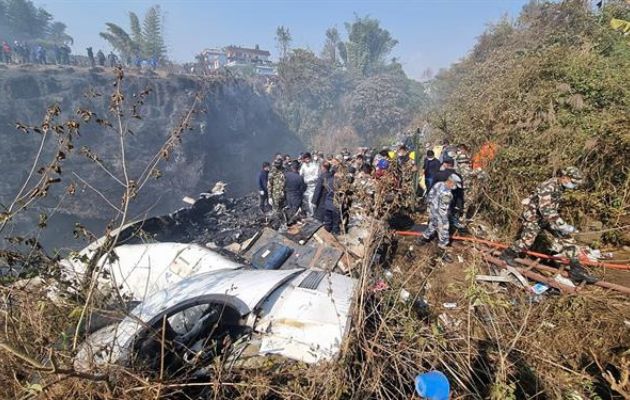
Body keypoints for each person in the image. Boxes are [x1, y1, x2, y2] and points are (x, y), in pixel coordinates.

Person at [500, 167, 589, 280]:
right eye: (573, 182)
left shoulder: (560, 187)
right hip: (534, 217)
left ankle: (576, 269)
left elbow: (551, 209)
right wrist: (563, 225)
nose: (574, 185)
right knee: (527, 241)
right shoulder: (549, 186)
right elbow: (545, 210)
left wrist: (562, 227)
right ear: (565, 178)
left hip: (548, 219)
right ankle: (507, 255)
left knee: (568, 239)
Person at [417, 174, 462, 262]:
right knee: (444, 231)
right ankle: (442, 252)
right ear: (450, 182)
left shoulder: (438, 184)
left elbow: (429, 197)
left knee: (432, 225)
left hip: (432, 211)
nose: (454, 187)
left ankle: (422, 238)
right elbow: (443, 211)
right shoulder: (447, 194)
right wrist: (445, 222)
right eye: (454, 185)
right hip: (439, 214)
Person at [312, 161, 341, 234]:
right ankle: (333, 232)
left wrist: (314, 201)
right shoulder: (331, 175)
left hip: (323, 198)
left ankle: (324, 231)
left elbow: (318, 189)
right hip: (332, 199)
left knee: (322, 216)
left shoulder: (322, 177)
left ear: (323, 167)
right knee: (333, 219)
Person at [299, 152, 320, 217]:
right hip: (306, 187)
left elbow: (317, 176)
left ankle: (314, 214)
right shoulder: (303, 165)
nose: (306, 160)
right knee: (306, 201)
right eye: (305, 159)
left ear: (310, 158)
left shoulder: (315, 165)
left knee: (311, 201)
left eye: (307, 158)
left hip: (313, 186)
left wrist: (308, 180)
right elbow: (301, 174)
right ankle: (309, 214)